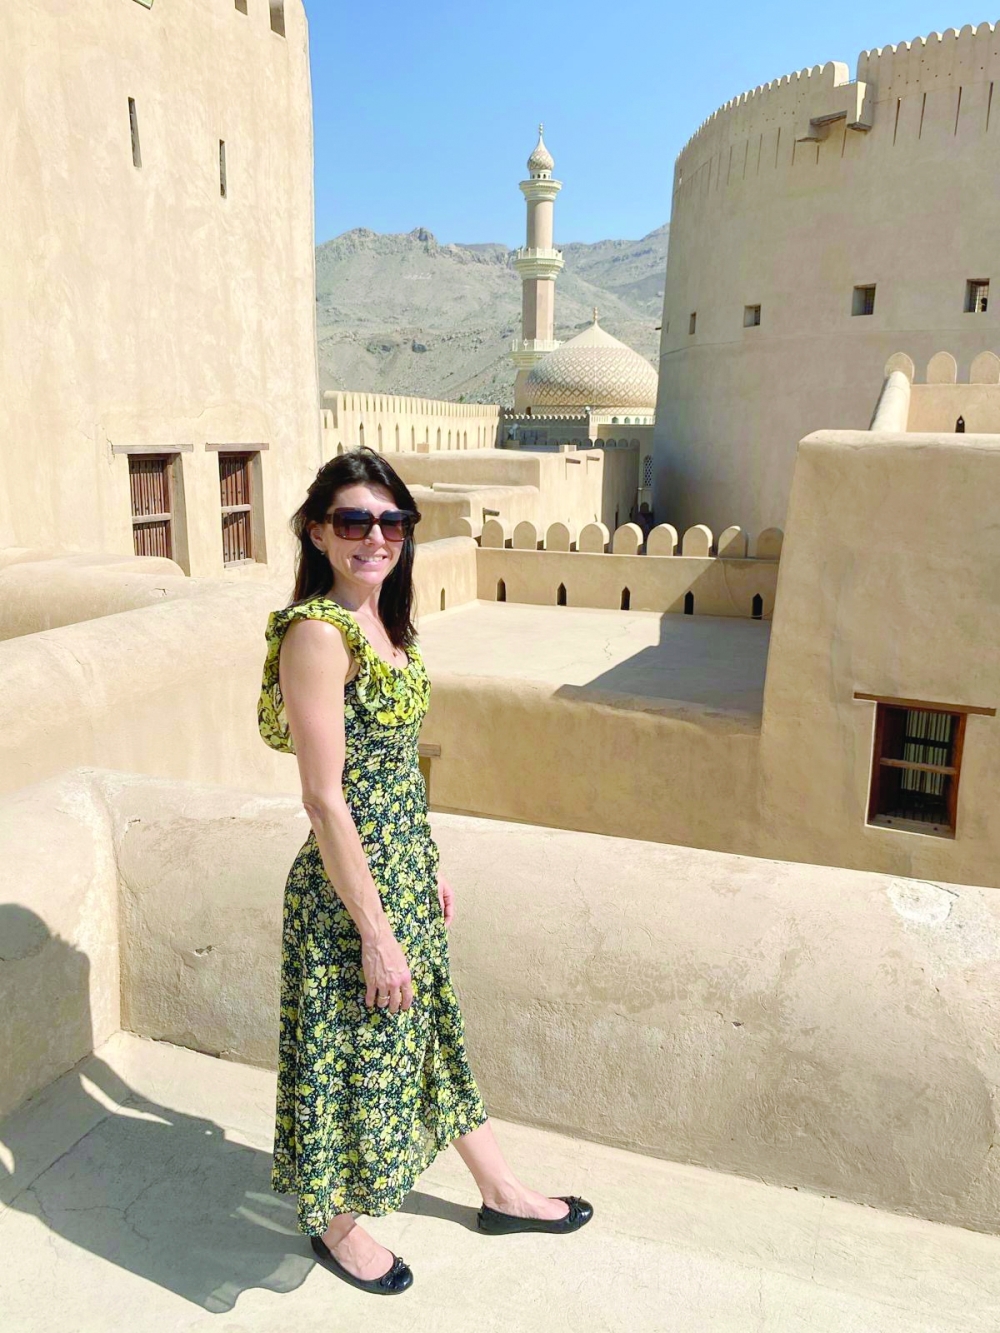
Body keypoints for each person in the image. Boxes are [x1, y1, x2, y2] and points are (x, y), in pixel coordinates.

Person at [257, 448, 593, 1296]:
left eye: (392, 522)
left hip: (404, 870)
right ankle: (334, 1224)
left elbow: (400, 768)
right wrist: (375, 932)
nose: (376, 536)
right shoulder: (316, 633)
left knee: (436, 1036)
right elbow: (325, 799)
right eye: (355, 520)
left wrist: (427, 862)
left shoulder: (386, 626)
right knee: (339, 1056)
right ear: (318, 531)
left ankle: (500, 1189)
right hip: (349, 893)